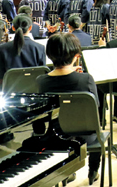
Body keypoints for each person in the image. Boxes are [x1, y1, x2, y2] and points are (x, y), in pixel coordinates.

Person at [36, 32, 101, 185]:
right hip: (84, 137)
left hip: (53, 135)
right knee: (96, 131)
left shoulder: (41, 81)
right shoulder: (86, 79)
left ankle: (66, 172)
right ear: (76, 56)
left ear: (50, 55)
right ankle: (93, 171)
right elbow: (95, 106)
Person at [0, 14, 46, 86]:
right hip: (34, 90)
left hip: (10, 91)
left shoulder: (1, 48)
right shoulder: (40, 48)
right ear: (30, 28)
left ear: (13, 28)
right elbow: (42, 74)